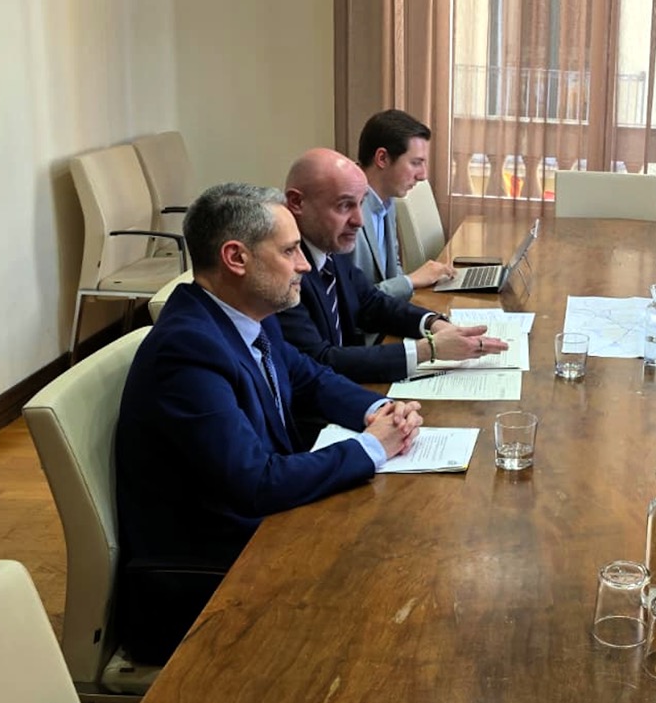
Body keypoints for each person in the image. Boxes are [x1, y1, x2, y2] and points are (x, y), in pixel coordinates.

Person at [115, 183, 425, 663]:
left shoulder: (248, 314)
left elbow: (310, 378)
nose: (305, 265)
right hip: (209, 580)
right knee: (394, 578)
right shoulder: (187, 351)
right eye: (289, 251)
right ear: (236, 258)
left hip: (259, 531)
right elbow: (255, 482)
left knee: (404, 542)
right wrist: (373, 446)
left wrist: (377, 411)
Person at [276, 148, 506, 385]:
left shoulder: (327, 243)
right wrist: (427, 350)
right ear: (297, 202)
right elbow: (320, 361)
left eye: (361, 204)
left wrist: (433, 323)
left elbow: (370, 302)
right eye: (344, 206)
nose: (359, 221)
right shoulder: (283, 271)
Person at [353, 109, 454, 299]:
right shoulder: (346, 212)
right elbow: (354, 300)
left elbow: (392, 271)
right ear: (382, 158)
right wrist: (410, 281)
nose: (423, 175)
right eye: (416, 163)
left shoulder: (387, 201)